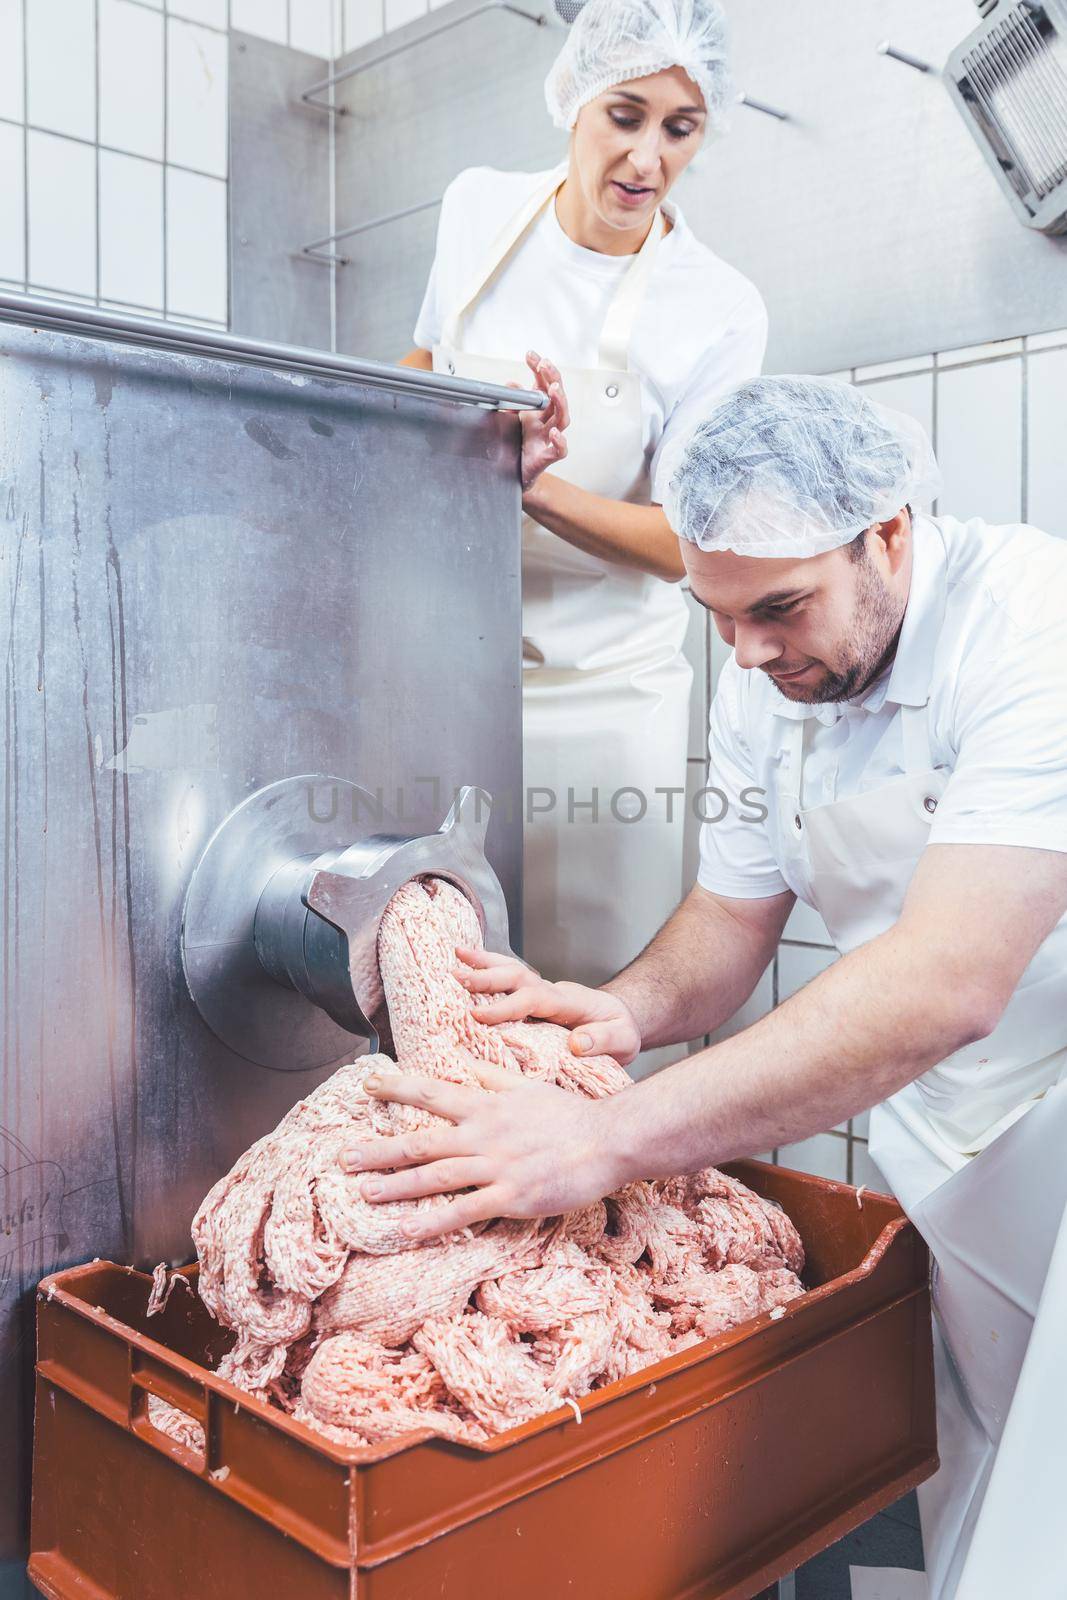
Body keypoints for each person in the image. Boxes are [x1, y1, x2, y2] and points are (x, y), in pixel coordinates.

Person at [343, 377, 1067, 1600]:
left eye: (779, 609)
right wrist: (623, 1008)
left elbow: (947, 980)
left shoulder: (1032, 628)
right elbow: (729, 917)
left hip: (1049, 1099)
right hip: (942, 1129)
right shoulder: (758, 666)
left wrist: (603, 1138)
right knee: (978, 1472)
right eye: (715, 615)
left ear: (885, 532)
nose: (747, 652)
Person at [402, 0, 767, 993]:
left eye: (678, 129)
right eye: (624, 113)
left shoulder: (719, 308)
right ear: (571, 97)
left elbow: (688, 547)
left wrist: (535, 488)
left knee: (591, 998)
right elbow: (424, 358)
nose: (645, 158)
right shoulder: (477, 207)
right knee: (446, 972)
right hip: (454, 667)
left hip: (610, 695)